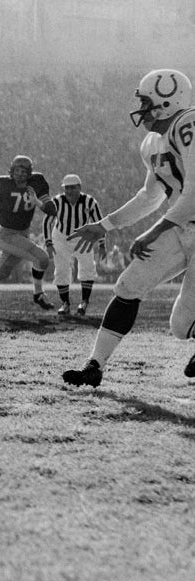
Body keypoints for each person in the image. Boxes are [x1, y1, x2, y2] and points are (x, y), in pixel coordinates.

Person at [63, 68, 195, 387]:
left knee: (181, 325)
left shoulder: (188, 123)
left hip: (183, 221)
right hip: (182, 226)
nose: (141, 108)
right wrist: (105, 224)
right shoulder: (152, 142)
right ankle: (94, 365)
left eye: (147, 101)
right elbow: (150, 195)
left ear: (167, 100)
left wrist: (155, 231)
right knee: (128, 286)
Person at [0, 155, 59, 316]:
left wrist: (37, 201)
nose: (19, 174)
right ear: (11, 171)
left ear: (29, 173)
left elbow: (52, 209)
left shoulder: (37, 182)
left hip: (22, 234)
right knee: (42, 259)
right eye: (17, 170)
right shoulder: (3, 184)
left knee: (2, 272)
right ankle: (39, 294)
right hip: (6, 234)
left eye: (24, 171)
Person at [43, 173, 103, 316]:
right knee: (62, 269)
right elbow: (47, 221)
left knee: (87, 267)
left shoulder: (90, 202)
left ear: (79, 187)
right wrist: (48, 242)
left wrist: (102, 244)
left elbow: (100, 224)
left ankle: (84, 301)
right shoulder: (57, 201)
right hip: (61, 237)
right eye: (66, 188)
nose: (69, 191)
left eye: (72, 188)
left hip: (83, 237)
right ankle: (65, 303)